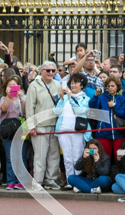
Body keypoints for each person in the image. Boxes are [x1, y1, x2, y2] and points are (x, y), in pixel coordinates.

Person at [25, 60, 62, 190]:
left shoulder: (58, 84)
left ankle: (51, 179)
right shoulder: (34, 86)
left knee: (54, 154)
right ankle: (38, 181)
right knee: (40, 155)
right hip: (40, 125)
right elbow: (30, 108)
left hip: (55, 125)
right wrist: (31, 127)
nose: (51, 73)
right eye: (48, 70)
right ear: (42, 71)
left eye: (53, 70)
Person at [54, 73, 92, 190]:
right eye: (71, 82)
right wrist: (61, 98)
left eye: (75, 82)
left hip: (78, 132)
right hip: (63, 132)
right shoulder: (64, 97)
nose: (73, 85)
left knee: (77, 157)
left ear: (82, 85)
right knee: (67, 158)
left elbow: (81, 111)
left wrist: (70, 97)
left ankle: (78, 182)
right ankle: (70, 181)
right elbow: (56, 112)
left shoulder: (85, 98)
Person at [90, 77, 125, 159]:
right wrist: (96, 95)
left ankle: (119, 172)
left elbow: (124, 114)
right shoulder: (101, 97)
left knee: (120, 157)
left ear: (117, 87)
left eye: (112, 86)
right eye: (108, 86)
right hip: (103, 133)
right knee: (104, 158)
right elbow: (92, 109)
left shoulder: (122, 99)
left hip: (119, 134)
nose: (110, 88)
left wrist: (114, 106)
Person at [0, 75, 26, 189]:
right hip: (7, 131)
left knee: (21, 156)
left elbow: (25, 113)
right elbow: (4, 109)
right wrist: (7, 95)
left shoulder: (22, 98)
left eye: (15, 85)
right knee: (10, 157)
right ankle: (11, 181)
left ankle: (21, 181)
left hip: (20, 129)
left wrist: (21, 99)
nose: (12, 87)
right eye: (10, 85)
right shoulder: (3, 98)